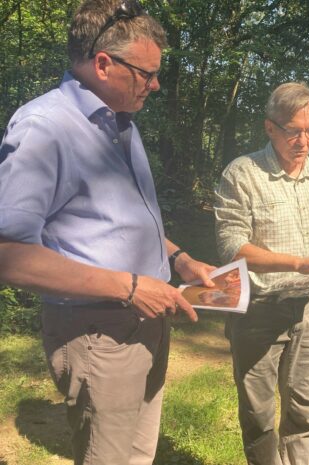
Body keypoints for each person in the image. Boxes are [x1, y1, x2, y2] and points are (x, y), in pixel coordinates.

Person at [0, 1, 216, 464]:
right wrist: (132, 287)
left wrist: (180, 261)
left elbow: (127, 222)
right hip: (98, 333)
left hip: (147, 321)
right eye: (147, 73)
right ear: (103, 64)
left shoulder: (121, 123)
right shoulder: (45, 127)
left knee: (139, 454)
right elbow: (9, 253)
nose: (155, 85)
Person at [214, 82, 309, 465]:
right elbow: (232, 248)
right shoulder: (242, 174)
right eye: (294, 131)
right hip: (258, 311)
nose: (304, 140)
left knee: (307, 411)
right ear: (270, 128)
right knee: (258, 417)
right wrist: (298, 262)